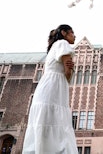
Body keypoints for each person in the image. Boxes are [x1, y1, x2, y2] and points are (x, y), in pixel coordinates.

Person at [22, 24, 77, 153]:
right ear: (64, 33)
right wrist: (71, 69)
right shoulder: (63, 43)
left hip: (45, 86)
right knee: (57, 122)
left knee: (44, 121)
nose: (75, 36)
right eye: (72, 32)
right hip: (55, 87)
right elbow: (68, 75)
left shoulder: (53, 47)